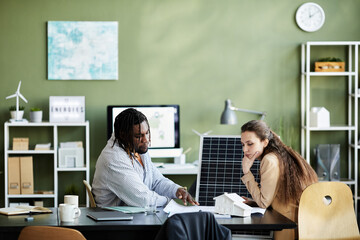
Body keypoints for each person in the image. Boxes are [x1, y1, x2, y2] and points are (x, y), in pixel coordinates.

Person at [92, 108, 198, 208]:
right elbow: (143, 199)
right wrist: (169, 201)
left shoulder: (137, 148)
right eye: (138, 136)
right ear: (123, 135)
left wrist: (176, 190)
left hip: (135, 215)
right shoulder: (114, 158)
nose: (145, 140)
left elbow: (156, 181)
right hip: (113, 221)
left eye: (146, 133)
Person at [240, 120, 318, 240]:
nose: (245, 150)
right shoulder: (279, 155)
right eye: (243, 144)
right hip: (303, 220)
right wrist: (253, 202)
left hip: (288, 223)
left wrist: (246, 172)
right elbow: (276, 196)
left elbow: (264, 203)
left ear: (265, 142)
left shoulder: (269, 160)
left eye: (250, 144)